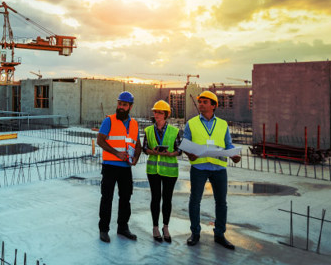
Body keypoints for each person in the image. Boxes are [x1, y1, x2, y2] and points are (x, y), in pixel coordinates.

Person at [183, 90, 241, 249]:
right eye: (200, 101)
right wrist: (190, 154)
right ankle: (195, 233)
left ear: (213, 105)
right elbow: (185, 143)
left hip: (219, 168)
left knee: (221, 202)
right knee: (195, 201)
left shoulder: (222, 124)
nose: (201, 104)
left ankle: (220, 234)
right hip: (199, 168)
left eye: (205, 102)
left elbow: (228, 144)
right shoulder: (192, 123)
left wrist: (234, 155)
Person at [97, 91, 142, 243]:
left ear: (130, 107)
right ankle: (104, 229)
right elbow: (100, 141)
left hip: (125, 168)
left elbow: (138, 146)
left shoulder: (134, 124)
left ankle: (122, 227)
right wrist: (117, 153)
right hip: (110, 166)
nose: (121, 107)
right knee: (107, 198)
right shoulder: (108, 121)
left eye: (124, 105)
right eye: (119, 104)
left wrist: (135, 158)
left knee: (125, 198)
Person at [143, 100, 181, 243]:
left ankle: (166, 227)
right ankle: (155, 227)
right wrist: (151, 151)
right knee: (155, 198)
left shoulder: (174, 131)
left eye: (160, 112)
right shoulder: (148, 130)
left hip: (170, 171)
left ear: (166, 115)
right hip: (153, 170)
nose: (156, 114)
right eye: (155, 112)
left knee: (167, 199)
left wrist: (170, 154)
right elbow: (145, 148)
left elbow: (179, 150)